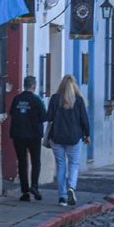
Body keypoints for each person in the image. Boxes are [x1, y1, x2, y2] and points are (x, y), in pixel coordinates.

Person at [46, 74, 90, 207]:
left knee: (60, 165)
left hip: (57, 136)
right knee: (74, 164)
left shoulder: (55, 99)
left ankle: (62, 197)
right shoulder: (79, 100)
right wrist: (87, 135)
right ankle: (71, 186)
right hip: (74, 136)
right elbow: (84, 120)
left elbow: (49, 117)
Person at [8, 74, 47, 201]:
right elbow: (44, 117)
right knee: (36, 161)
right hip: (34, 135)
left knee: (22, 162)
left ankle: (25, 191)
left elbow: (12, 113)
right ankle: (34, 186)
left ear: (24, 85)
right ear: (33, 86)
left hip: (18, 135)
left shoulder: (17, 99)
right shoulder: (36, 100)